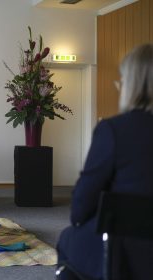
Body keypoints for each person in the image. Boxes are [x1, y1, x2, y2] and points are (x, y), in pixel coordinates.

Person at [56, 43, 153, 280]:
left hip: (130, 250)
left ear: (133, 84)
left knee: (68, 239)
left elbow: (80, 208)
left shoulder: (115, 130)